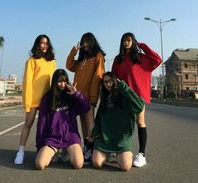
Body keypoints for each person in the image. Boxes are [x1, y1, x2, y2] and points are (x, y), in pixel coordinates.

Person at [112, 32, 162, 167]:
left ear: (133, 42)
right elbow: (113, 78)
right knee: (122, 123)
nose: (126, 43)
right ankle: (118, 148)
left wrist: (141, 45)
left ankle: (142, 154)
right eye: (124, 40)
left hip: (138, 96)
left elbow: (157, 59)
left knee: (140, 122)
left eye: (129, 40)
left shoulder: (141, 58)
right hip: (123, 95)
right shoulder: (118, 59)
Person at [35, 69, 91, 170]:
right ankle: (54, 153)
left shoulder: (71, 96)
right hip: (52, 139)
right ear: (55, 82)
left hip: (70, 137)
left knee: (78, 164)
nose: (62, 84)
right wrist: (40, 146)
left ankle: (67, 151)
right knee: (40, 164)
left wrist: (76, 94)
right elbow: (41, 124)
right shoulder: (47, 99)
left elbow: (86, 107)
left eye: (64, 81)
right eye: (59, 81)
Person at [14, 34, 56, 165]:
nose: (44, 46)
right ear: (37, 45)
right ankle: (20, 152)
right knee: (28, 124)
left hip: (47, 100)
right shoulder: (31, 61)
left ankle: (43, 150)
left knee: (46, 126)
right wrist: (27, 102)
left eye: (46, 43)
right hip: (33, 99)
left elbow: (53, 82)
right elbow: (27, 82)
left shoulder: (52, 62)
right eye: (42, 43)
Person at [92, 72, 145, 171]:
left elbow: (139, 106)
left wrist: (124, 87)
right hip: (105, 139)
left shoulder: (125, 95)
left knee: (125, 167)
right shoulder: (105, 97)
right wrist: (95, 132)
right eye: (105, 82)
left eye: (110, 81)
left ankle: (121, 154)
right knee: (97, 163)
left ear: (115, 81)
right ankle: (108, 154)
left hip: (121, 140)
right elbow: (99, 117)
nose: (108, 84)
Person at [66, 32, 105, 161]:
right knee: (83, 121)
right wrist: (74, 52)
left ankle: (93, 147)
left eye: (88, 42)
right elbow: (69, 65)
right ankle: (87, 146)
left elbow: (98, 77)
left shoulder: (98, 57)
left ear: (93, 42)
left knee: (90, 123)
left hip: (88, 96)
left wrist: (94, 97)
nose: (85, 44)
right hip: (78, 96)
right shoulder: (81, 60)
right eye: (83, 42)